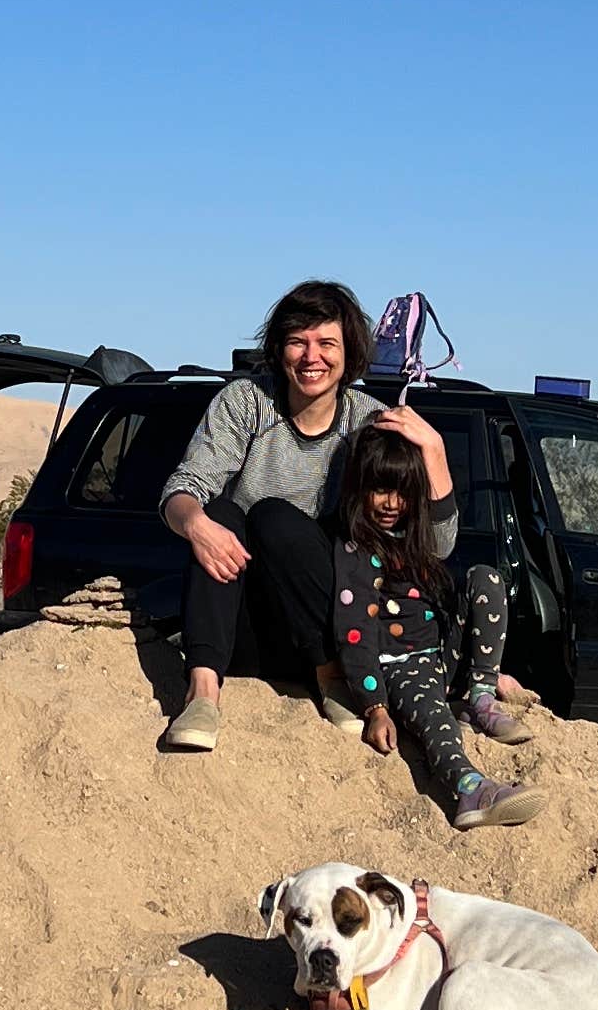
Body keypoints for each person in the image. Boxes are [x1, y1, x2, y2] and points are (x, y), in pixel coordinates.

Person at [155, 276, 457, 755]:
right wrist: (195, 524)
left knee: (276, 518)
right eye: (298, 342)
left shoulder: (370, 423)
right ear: (279, 350)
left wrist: (435, 453)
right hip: (245, 623)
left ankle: (332, 678)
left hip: (336, 628)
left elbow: (435, 547)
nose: (311, 356)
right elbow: (182, 489)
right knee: (221, 514)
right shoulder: (246, 404)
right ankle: (203, 695)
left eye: (326, 343)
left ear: (349, 351)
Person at [332, 422, 540, 831]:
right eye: (380, 490)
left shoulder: (417, 537)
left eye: (403, 491)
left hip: (440, 658)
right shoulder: (356, 551)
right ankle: (471, 788)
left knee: (486, 579)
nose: (392, 503)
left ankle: (481, 699)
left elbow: (445, 513)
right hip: (400, 667)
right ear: (360, 490)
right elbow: (354, 634)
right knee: (435, 720)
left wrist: (433, 443)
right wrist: (375, 708)